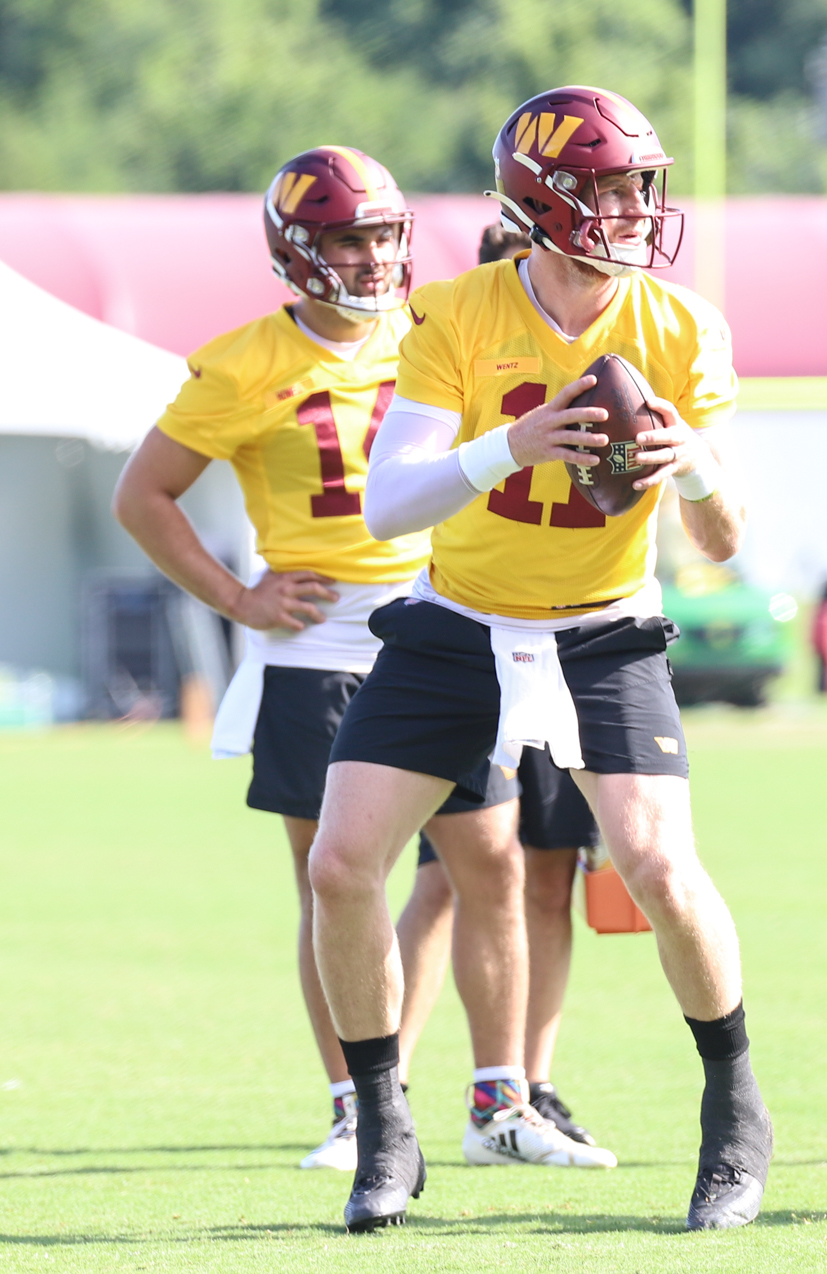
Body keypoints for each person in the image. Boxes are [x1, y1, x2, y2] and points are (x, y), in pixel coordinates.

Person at [307, 85, 772, 1234]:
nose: (632, 208)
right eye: (608, 187)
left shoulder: (679, 324)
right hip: (461, 617)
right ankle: (383, 1122)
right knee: (340, 861)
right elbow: (386, 505)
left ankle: (734, 1111)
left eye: (638, 186)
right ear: (543, 200)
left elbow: (720, 542)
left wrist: (692, 466)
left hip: (604, 620)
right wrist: (508, 444)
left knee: (659, 864)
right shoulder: (459, 312)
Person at [111, 145, 428, 1173]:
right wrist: (236, 595)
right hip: (318, 644)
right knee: (332, 881)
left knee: (488, 861)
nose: (376, 257)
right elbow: (141, 495)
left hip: (442, 629)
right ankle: (356, 1101)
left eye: (385, 234)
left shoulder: (434, 334)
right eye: (351, 237)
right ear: (299, 250)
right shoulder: (243, 361)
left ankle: (493, 1087)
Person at [396, 221, 605, 1149]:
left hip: (578, 643)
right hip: (476, 640)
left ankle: (532, 1080)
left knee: (550, 875)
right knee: (455, 875)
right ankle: (384, 1087)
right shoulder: (457, 356)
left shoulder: (617, 355)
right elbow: (403, 495)